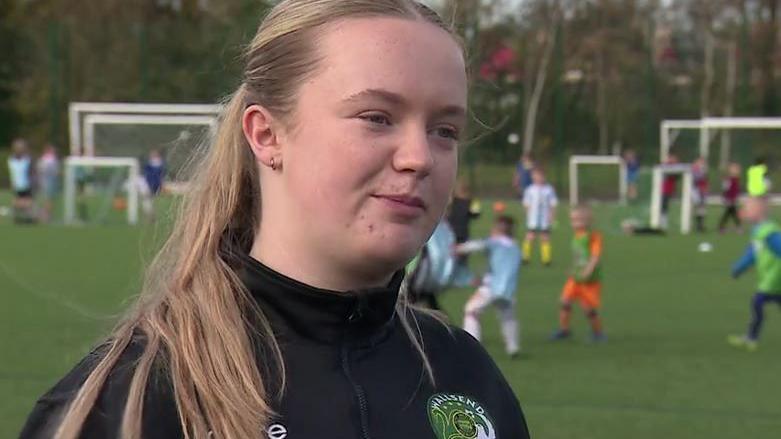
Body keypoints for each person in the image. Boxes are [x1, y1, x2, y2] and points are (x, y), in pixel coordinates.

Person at [20, 2, 530, 439]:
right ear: (266, 135)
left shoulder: (466, 375)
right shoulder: (131, 399)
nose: (420, 156)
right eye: (377, 117)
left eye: (445, 129)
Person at [456, 215, 522, 357]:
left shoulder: (494, 242)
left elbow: (475, 246)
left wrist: (458, 249)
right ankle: (513, 347)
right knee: (508, 317)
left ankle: (472, 344)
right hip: (509, 291)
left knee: (471, 310)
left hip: (491, 287)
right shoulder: (515, 247)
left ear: (497, 229)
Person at [728, 197, 781, 352]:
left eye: (747, 209)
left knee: (757, 302)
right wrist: (739, 268)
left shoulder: (768, 232)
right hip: (771, 278)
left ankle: (751, 337)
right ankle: (751, 337)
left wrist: (738, 268)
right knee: (758, 304)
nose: (743, 212)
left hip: (775, 278)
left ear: (757, 212)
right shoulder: (758, 232)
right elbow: (752, 255)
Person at [551, 205, 606, 342]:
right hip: (575, 278)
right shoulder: (577, 236)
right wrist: (573, 268)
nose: (576, 223)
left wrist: (588, 270)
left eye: (580, 219)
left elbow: (595, 256)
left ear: (589, 221)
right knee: (565, 301)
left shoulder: (593, 236)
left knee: (588, 308)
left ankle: (598, 333)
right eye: (574, 220)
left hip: (589, 279)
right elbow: (579, 256)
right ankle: (564, 330)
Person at [446, 177, 481, 286]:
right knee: (463, 258)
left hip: (450, 232)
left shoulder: (452, 201)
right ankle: (464, 278)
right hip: (463, 232)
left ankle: (449, 277)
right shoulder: (471, 202)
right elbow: (476, 215)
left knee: (450, 256)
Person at [522, 167, 558, 265]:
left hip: (544, 218)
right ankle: (525, 257)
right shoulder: (530, 189)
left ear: (544, 177)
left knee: (545, 237)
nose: (538, 178)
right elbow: (526, 204)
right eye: (535, 176)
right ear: (533, 177)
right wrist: (527, 214)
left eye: (540, 176)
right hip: (533, 218)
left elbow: (553, 204)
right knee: (530, 236)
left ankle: (546, 259)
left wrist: (552, 216)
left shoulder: (549, 189)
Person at [7, 138, 35, 224]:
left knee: (25, 202)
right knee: (25, 202)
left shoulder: (15, 160)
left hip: (23, 184)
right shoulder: (15, 161)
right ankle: (20, 215)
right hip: (21, 184)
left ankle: (23, 216)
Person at [138, 149, 167, 222]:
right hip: (150, 184)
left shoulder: (157, 164)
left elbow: (156, 176)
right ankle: (150, 215)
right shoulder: (154, 164)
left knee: (147, 200)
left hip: (152, 185)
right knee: (147, 201)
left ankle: (150, 216)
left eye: (153, 154)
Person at [36, 143, 60, 223]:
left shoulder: (44, 159)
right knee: (49, 199)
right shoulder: (49, 159)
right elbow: (52, 171)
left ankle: (44, 214)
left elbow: (39, 169)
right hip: (49, 181)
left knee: (47, 199)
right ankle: (46, 216)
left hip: (45, 181)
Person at [719, 162, 742, 233]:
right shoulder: (729, 179)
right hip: (729, 199)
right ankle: (738, 227)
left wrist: (737, 197)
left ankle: (722, 227)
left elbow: (736, 190)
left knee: (730, 212)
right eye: (734, 169)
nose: (737, 171)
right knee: (731, 213)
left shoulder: (736, 179)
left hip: (733, 199)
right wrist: (726, 198)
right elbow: (725, 189)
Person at [660, 154, 679, 229]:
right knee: (663, 206)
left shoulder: (676, 167)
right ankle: (662, 222)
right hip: (663, 190)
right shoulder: (666, 166)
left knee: (666, 206)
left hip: (670, 190)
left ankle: (663, 222)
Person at [692, 156, 708, 233]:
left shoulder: (703, 170)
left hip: (702, 191)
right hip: (696, 191)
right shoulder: (695, 170)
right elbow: (696, 179)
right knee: (697, 207)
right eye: (700, 162)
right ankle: (697, 225)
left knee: (702, 208)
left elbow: (704, 181)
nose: (702, 164)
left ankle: (700, 225)